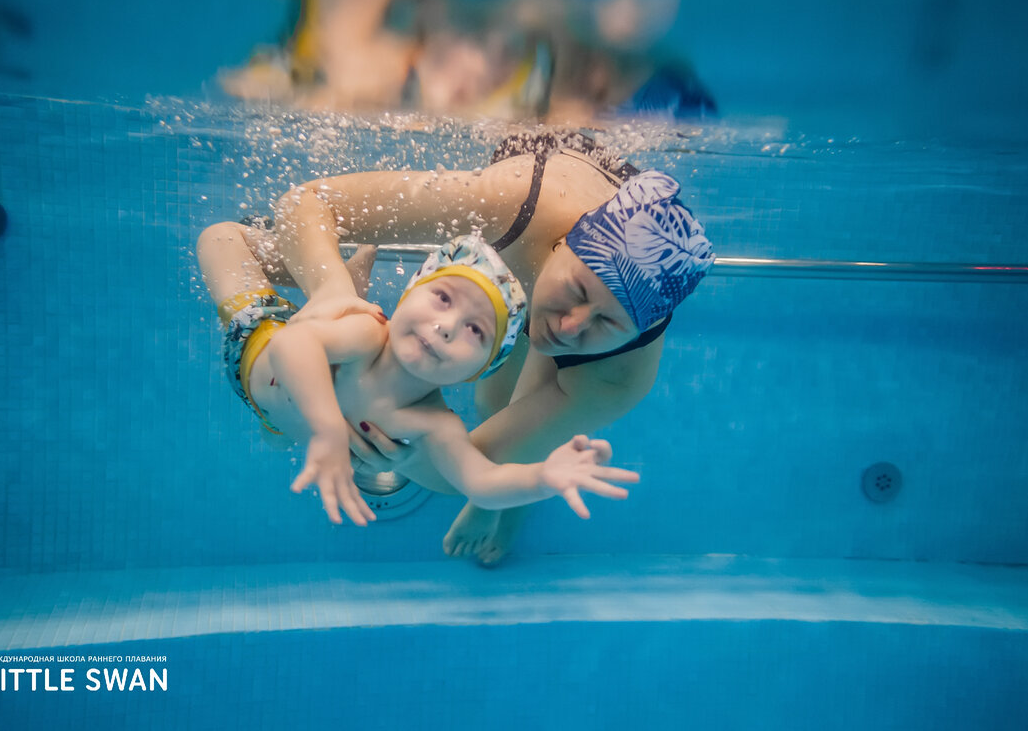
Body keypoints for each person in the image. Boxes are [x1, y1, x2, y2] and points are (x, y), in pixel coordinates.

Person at [247, 131, 713, 563]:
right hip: (551, 173)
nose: (571, 327)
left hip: (596, 343)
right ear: (562, 244)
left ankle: (510, 508)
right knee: (492, 397)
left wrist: (409, 452)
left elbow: (468, 466)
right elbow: (307, 201)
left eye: (606, 321)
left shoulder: (617, 375)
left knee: (513, 442)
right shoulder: (519, 201)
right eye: (576, 290)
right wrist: (332, 289)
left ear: (634, 332)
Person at [196, 229, 641, 527]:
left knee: (275, 434)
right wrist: (329, 431)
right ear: (409, 293)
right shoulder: (369, 335)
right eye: (443, 297)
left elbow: (482, 485)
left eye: (475, 330)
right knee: (219, 238)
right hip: (255, 339)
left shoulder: (435, 424)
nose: (447, 326)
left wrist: (543, 477)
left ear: (479, 370)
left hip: (278, 417)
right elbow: (293, 347)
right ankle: (338, 287)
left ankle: (351, 283)